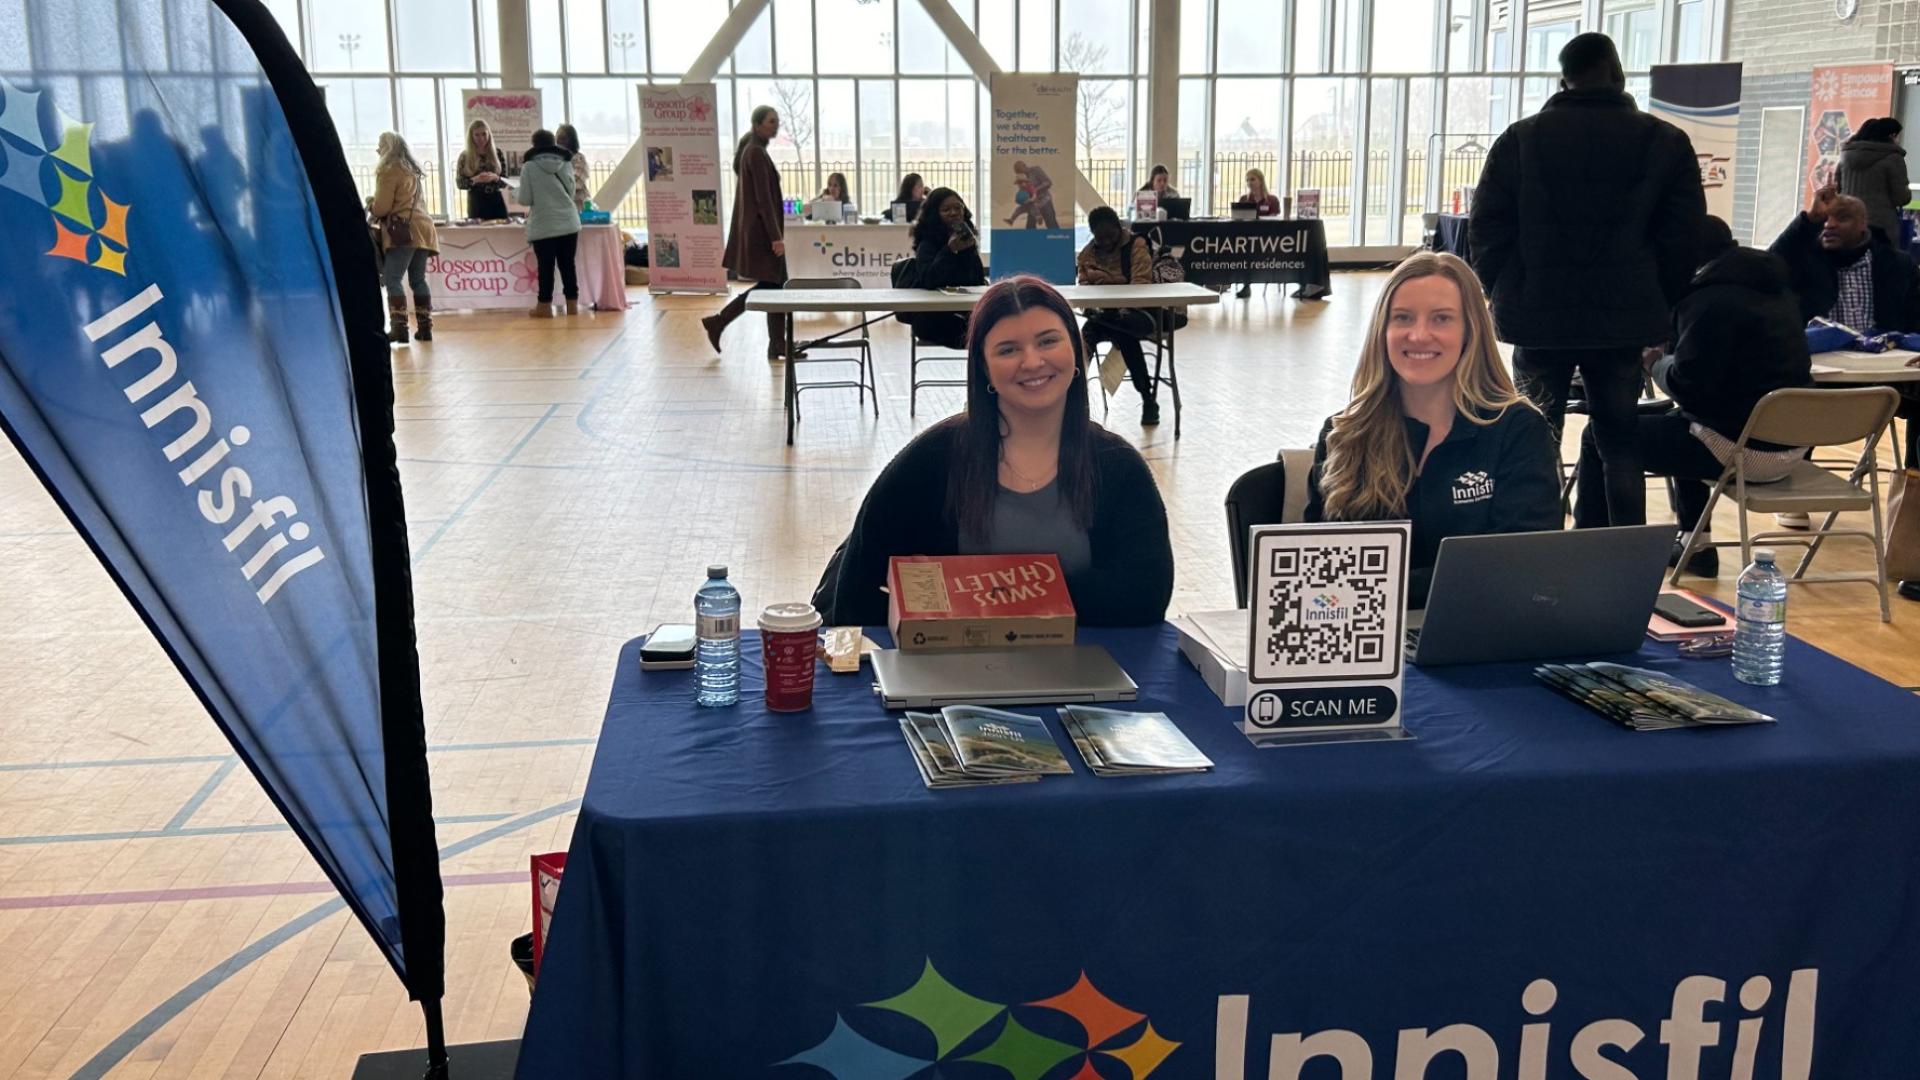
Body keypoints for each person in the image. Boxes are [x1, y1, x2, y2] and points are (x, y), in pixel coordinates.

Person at [816, 276, 1174, 628]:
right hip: (950, 663)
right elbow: (854, 597)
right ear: (984, 367)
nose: (1032, 362)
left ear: (1077, 351)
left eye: (1048, 341)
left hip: (1089, 662)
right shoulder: (931, 461)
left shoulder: (1118, 466)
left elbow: (1146, 596)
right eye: (1008, 350)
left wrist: (987, 596)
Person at [1469, 31, 1706, 531]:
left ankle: (1534, 545)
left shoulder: (1521, 138)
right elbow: (1684, 236)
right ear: (1618, 75)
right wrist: (1659, 302)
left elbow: (1486, 227)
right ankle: (1624, 555)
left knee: (1535, 437)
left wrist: (1499, 291)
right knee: (1620, 441)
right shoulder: (1665, 141)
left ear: (1563, 81)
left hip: (1537, 318)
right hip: (1624, 321)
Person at [1304, 252, 1561, 607]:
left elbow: (1522, 568)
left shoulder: (1517, 431)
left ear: (1471, 330)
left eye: (1441, 318)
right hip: (1364, 631)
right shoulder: (1345, 433)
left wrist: (1381, 585)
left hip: (1481, 630)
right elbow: (1316, 572)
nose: (1419, 335)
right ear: (1382, 331)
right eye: (1403, 318)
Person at [1582, 219, 1812, 575]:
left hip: (1741, 451)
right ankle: (1695, 545)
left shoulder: (1707, 300)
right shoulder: (1776, 290)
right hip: (1793, 447)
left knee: (1601, 433)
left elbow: (1686, 384)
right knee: (1684, 421)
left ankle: (1595, 547)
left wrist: (1655, 361)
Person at [1770, 185, 1920, 333]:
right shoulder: (1804, 261)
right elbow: (1768, 267)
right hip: (1818, 348)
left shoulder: (1897, 265)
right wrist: (1810, 219)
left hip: (1886, 347)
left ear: (1863, 223)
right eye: (1823, 219)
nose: (1829, 225)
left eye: (1842, 218)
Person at [703, 106, 789, 360]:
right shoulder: (755, 153)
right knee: (774, 285)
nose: (775, 125)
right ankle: (721, 322)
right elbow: (764, 200)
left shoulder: (753, 150)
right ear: (757, 124)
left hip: (760, 233)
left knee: (774, 286)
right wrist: (776, 237)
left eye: (776, 121)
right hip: (763, 235)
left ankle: (775, 343)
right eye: (771, 121)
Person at [1076, 206, 1162, 426]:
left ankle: (1147, 397)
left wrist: (1108, 285)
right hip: (1104, 315)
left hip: (1139, 313)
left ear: (1119, 228)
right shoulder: (1087, 254)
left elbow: (1140, 285)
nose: (1105, 242)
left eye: (1110, 236)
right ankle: (1074, 397)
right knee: (1082, 340)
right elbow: (1084, 288)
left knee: (1124, 332)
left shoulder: (1136, 245)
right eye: (1100, 238)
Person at [368, 131, 439, 344]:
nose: (378, 150)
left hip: (402, 231)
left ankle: (399, 328)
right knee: (418, 280)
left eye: (381, 145)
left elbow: (382, 208)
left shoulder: (388, 170)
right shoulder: (412, 170)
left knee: (393, 278)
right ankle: (425, 328)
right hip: (424, 228)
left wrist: (371, 203)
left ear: (389, 148)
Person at [895, 187, 986, 350]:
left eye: (958, 208)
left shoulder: (965, 241)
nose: (954, 213)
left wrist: (968, 252)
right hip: (933, 316)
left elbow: (977, 280)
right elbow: (929, 280)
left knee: (990, 324)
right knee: (981, 334)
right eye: (946, 210)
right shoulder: (927, 244)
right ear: (935, 214)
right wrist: (950, 251)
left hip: (961, 310)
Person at [520, 129, 582, 317]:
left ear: (534, 146)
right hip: (569, 222)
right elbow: (571, 193)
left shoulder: (529, 167)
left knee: (546, 267)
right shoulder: (565, 163)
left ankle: (544, 307)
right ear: (553, 144)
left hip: (544, 224)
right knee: (568, 265)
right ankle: (572, 306)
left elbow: (525, 199)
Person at [1836, 117, 1910, 246]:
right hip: (1882, 226)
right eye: (1897, 136)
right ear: (1891, 136)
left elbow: (1838, 189)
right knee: (1881, 258)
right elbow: (1901, 198)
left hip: (1848, 222)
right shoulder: (1893, 158)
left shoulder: (1845, 156)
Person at [1232, 168, 1283, 298]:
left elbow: (1276, 220)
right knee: (1243, 251)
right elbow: (1238, 219)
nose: (1249, 183)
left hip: (1267, 239)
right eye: (1247, 180)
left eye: (1252, 179)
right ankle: (1246, 285)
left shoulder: (1272, 200)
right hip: (1247, 239)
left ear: (1260, 180)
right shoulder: (1244, 199)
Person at [455, 119, 510, 220]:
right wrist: (476, 179)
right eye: (477, 135)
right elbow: (460, 184)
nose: (481, 138)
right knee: (478, 230)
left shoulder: (497, 153)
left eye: (484, 134)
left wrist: (495, 177)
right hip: (476, 202)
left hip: (496, 200)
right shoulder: (465, 156)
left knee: (501, 229)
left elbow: (505, 182)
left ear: (489, 134)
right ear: (471, 136)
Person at [1006, 161, 1057, 229]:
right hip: (1032, 204)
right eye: (1018, 172)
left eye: (1019, 170)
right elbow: (1023, 192)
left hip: (1044, 201)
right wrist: (1021, 199)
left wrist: (1035, 190)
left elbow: (1048, 182)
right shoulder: (1022, 178)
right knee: (1030, 227)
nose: (1020, 173)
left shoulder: (1036, 170)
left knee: (1051, 224)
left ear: (1024, 166)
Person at [556, 123, 591, 211]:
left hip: (578, 207)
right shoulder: (555, 160)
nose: (559, 142)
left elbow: (576, 183)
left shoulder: (579, 159)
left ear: (571, 140)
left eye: (563, 138)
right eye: (557, 138)